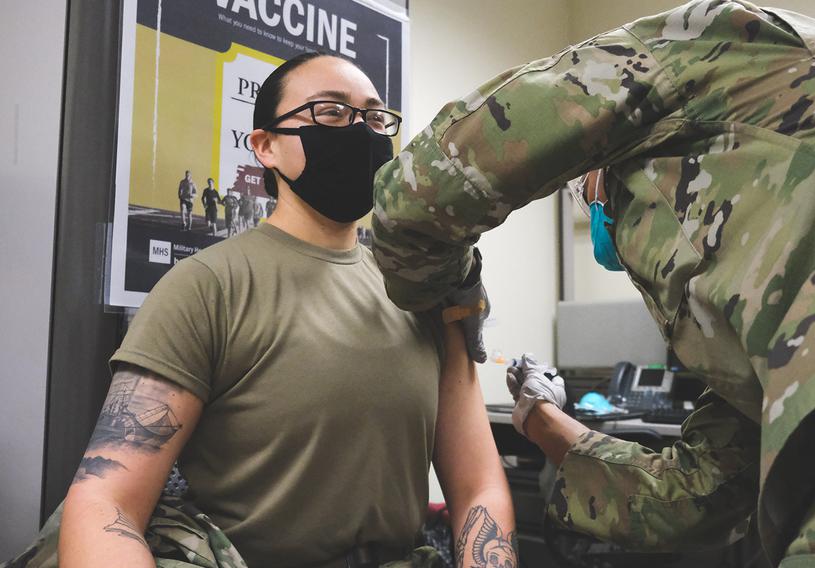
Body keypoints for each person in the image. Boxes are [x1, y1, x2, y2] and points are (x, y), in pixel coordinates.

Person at [369, 2, 815, 567]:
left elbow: (420, 193)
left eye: (586, 190)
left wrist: (452, 292)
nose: (595, 207)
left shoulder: (718, 41)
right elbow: (709, 494)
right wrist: (547, 425)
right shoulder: (777, 299)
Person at [53, 52, 516, 568]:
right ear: (265, 146)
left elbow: (479, 488)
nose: (360, 131)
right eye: (331, 112)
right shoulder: (207, 288)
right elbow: (105, 501)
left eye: (374, 117)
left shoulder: (423, 294)